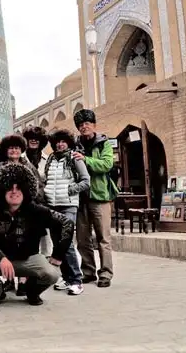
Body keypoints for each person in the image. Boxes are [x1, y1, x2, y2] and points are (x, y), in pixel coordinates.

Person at [0, 162, 74, 309]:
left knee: (53, 274)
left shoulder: (37, 211)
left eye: (19, 188)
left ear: (26, 190)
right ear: (1, 191)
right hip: (1, 261)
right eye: (9, 188)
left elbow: (67, 223)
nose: (14, 192)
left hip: (29, 259)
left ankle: (32, 292)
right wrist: (0, 258)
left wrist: (57, 255)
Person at [44, 128, 91, 296]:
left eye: (63, 141)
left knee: (66, 242)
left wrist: (70, 190)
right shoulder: (51, 159)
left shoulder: (74, 158)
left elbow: (86, 181)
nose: (60, 144)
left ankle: (76, 280)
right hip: (52, 205)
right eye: (57, 142)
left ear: (68, 143)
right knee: (57, 243)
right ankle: (66, 277)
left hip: (68, 205)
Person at [73, 109, 117, 288]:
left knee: (103, 238)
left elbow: (107, 164)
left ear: (94, 125)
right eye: (81, 125)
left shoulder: (104, 143)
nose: (84, 127)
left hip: (100, 196)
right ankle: (88, 272)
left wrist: (85, 160)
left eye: (87, 123)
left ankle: (105, 273)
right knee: (83, 239)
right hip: (81, 198)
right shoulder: (76, 144)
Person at [0, 133, 43, 296]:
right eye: (11, 148)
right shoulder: (0, 167)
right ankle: (8, 280)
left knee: (25, 246)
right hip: (5, 213)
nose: (14, 151)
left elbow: (38, 188)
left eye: (16, 148)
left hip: (26, 214)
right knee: (6, 245)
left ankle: (23, 281)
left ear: (21, 149)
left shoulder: (28, 167)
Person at [22, 125, 52, 257]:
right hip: (25, 205)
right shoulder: (21, 159)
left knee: (46, 240)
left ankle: (45, 272)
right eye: (30, 138)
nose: (33, 141)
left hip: (43, 204)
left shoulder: (48, 159)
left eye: (37, 138)